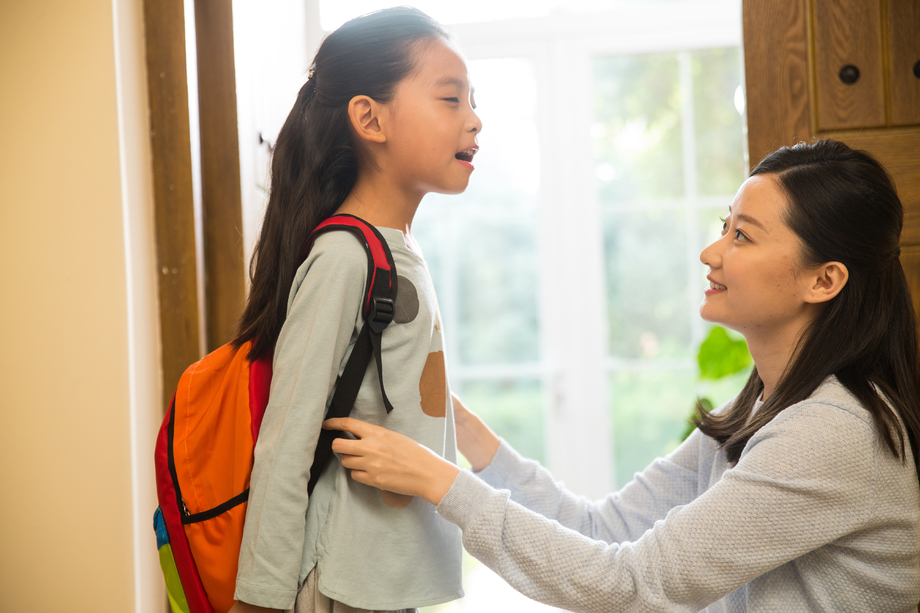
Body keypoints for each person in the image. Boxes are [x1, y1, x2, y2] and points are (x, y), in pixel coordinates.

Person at [326, 140, 920, 612]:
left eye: (742, 235)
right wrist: (463, 432)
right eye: (724, 225)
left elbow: (628, 587)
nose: (712, 252)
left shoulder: (831, 433)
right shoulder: (768, 408)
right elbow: (602, 527)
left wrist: (439, 482)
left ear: (825, 280)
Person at [228, 8, 481, 613]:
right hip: (339, 578)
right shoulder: (344, 257)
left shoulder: (398, 249)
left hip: (386, 579)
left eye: (473, 101)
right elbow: (285, 445)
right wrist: (261, 601)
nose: (475, 120)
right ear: (369, 117)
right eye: (451, 100)